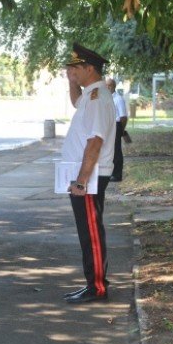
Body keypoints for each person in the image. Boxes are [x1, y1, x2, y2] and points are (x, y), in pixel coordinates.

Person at [61, 43, 115, 304]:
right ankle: (93, 282)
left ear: (90, 68)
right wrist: (71, 80)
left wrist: (81, 180)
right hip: (85, 177)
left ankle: (97, 286)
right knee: (87, 230)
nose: (71, 70)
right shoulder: (90, 95)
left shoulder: (97, 98)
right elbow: (75, 102)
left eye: (75, 67)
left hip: (89, 178)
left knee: (91, 232)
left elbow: (95, 142)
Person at [106, 78, 127, 182]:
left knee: (116, 151)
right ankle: (110, 173)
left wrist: (121, 130)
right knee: (109, 151)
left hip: (116, 125)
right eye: (105, 86)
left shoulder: (118, 99)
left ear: (113, 86)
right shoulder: (106, 98)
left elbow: (123, 117)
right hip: (108, 126)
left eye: (109, 85)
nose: (107, 88)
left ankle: (117, 174)